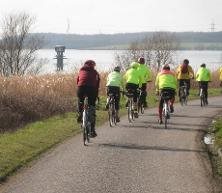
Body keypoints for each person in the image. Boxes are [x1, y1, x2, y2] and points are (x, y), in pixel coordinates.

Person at [76, 59, 100, 138]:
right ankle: (92, 130)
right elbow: (97, 84)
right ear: (93, 65)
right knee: (92, 108)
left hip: (81, 88)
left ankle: (80, 114)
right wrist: (96, 95)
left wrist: (80, 89)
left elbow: (78, 81)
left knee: (80, 101)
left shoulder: (81, 70)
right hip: (91, 89)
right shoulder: (95, 72)